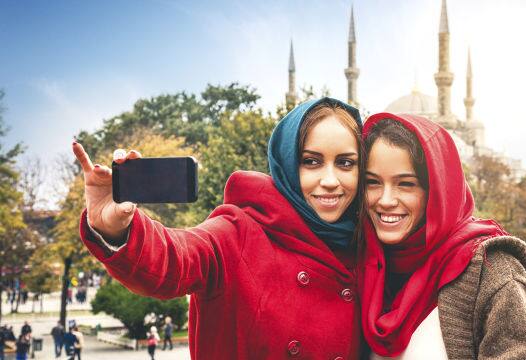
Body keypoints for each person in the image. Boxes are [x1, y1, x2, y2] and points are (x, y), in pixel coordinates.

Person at [73, 98, 364, 359]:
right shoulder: (236, 233)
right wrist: (117, 228)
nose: (330, 180)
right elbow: (176, 257)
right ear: (287, 162)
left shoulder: (366, 246)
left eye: (345, 163)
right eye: (311, 162)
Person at [358, 113, 526, 359]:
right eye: (372, 182)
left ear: (438, 190)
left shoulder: (493, 270)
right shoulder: (363, 266)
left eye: (406, 184)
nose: (385, 200)